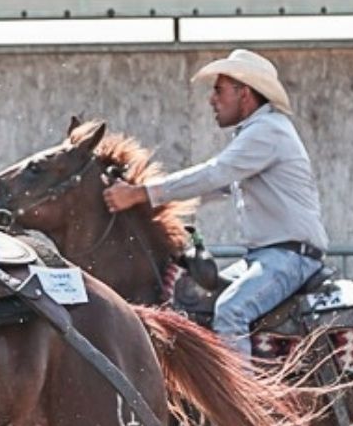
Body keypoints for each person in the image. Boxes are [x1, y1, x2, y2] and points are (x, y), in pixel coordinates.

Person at [103, 48, 329, 360]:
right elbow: (216, 186)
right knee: (195, 302)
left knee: (230, 311)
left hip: (288, 259)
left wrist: (140, 194)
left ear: (245, 93)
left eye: (219, 90)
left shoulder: (266, 132)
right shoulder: (259, 133)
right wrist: (148, 203)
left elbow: (214, 174)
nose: (212, 99)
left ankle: (239, 407)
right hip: (270, 258)